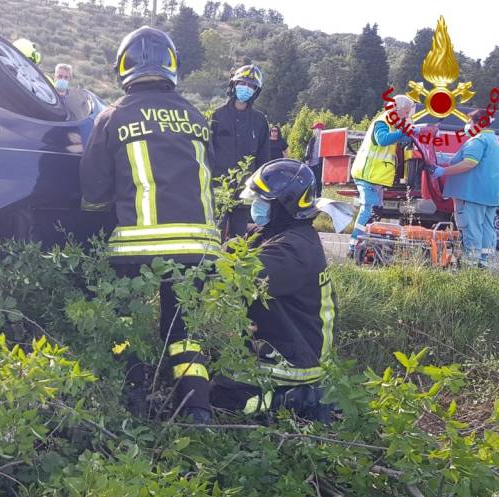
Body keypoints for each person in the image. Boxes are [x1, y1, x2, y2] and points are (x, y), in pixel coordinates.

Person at [80, 26, 220, 424]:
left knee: (126, 321)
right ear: (172, 65)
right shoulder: (195, 116)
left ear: (123, 66)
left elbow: (92, 189)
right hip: (198, 246)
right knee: (182, 331)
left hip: (136, 247)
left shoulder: (112, 116)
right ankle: (197, 413)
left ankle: (134, 404)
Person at [210, 159, 336, 420]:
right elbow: (245, 236)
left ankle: (296, 399)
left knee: (222, 399)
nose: (256, 206)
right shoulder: (283, 232)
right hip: (285, 342)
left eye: (263, 201)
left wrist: (211, 257)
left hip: (295, 359)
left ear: (285, 205)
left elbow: (239, 275)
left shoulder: (293, 251)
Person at [432, 109, 499, 268]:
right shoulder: (493, 139)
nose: (467, 125)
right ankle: (486, 265)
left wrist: (444, 171)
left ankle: (470, 267)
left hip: (472, 194)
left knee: (471, 229)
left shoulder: (478, 140)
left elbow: (469, 163)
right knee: (487, 231)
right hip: (492, 195)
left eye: (469, 122)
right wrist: (447, 160)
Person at [348, 95, 415, 257]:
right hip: (366, 175)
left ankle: (367, 245)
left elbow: (401, 138)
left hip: (375, 177)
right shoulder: (383, 121)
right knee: (369, 207)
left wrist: (414, 133)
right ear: (397, 109)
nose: (407, 116)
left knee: (376, 211)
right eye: (405, 112)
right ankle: (353, 244)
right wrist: (403, 132)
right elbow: (382, 140)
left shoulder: (392, 124)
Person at [210, 64, 271, 239]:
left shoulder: (259, 121)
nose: (246, 88)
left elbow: (263, 159)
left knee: (238, 239)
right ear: (233, 85)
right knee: (214, 235)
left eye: (251, 86)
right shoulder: (216, 116)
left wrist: (261, 191)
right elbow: (206, 153)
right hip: (218, 188)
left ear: (256, 91)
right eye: (242, 83)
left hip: (244, 191)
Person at [304, 121, 325, 195]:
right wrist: (306, 160)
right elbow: (308, 151)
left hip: (319, 164)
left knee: (318, 182)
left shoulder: (324, 140)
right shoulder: (312, 139)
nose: (313, 130)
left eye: (315, 129)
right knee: (310, 182)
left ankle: (318, 196)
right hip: (310, 164)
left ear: (320, 129)